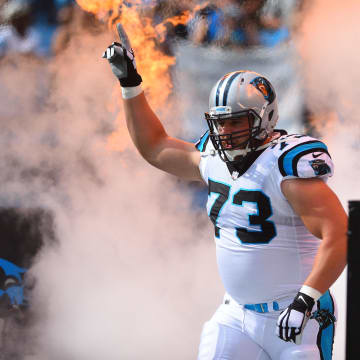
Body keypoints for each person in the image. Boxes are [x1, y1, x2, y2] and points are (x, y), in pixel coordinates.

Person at [102, 28, 347, 359]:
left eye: (235, 122)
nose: (224, 132)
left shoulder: (286, 166)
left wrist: (305, 299)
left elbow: (340, 235)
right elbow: (155, 147)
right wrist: (130, 84)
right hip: (235, 314)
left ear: (266, 117)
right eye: (219, 123)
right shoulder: (212, 158)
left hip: (297, 314)